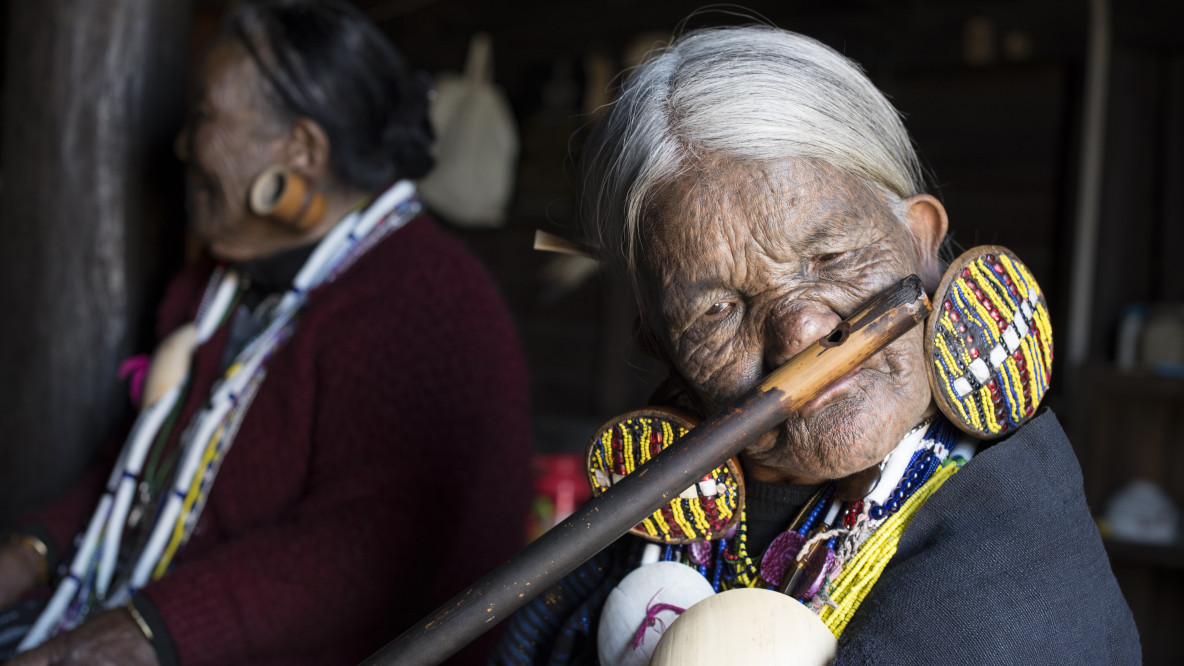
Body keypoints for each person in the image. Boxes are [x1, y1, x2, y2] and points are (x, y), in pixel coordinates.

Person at [491, 24, 1140, 665]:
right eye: (718, 309)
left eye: (829, 257)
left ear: (919, 243)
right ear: (661, 346)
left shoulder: (1016, 569)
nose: (799, 330)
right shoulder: (642, 529)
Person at [0, 1, 530, 664]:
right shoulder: (216, 285)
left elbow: (370, 544)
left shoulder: (431, 299)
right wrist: (29, 553)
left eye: (204, 117)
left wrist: (147, 634)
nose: (182, 146)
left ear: (301, 150)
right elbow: (138, 465)